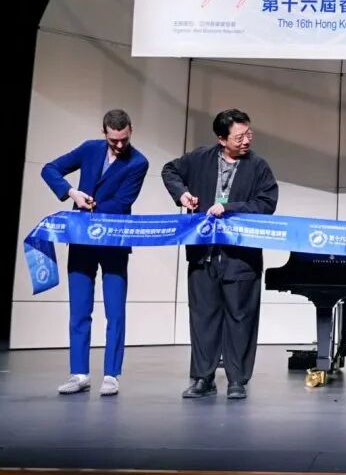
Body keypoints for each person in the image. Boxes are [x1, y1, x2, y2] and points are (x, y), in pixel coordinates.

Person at [161, 109, 278, 401]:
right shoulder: (200, 158)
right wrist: (182, 194)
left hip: (241, 257)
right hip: (203, 253)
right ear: (221, 139)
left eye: (249, 134)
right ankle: (203, 378)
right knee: (203, 317)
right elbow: (169, 170)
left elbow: (267, 203)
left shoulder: (258, 166)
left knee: (241, 317)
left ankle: (237, 379)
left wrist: (230, 207)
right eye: (239, 137)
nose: (246, 140)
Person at [41, 109, 149, 396]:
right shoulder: (90, 149)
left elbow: (123, 202)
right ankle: (79, 373)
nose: (119, 145)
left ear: (130, 130)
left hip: (113, 242)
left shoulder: (138, 162)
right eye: (114, 140)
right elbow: (49, 169)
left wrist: (90, 205)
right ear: (104, 133)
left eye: (124, 139)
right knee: (79, 309)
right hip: (81, 241)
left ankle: (111, 374)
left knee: (115, 312)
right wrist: (71, 193)